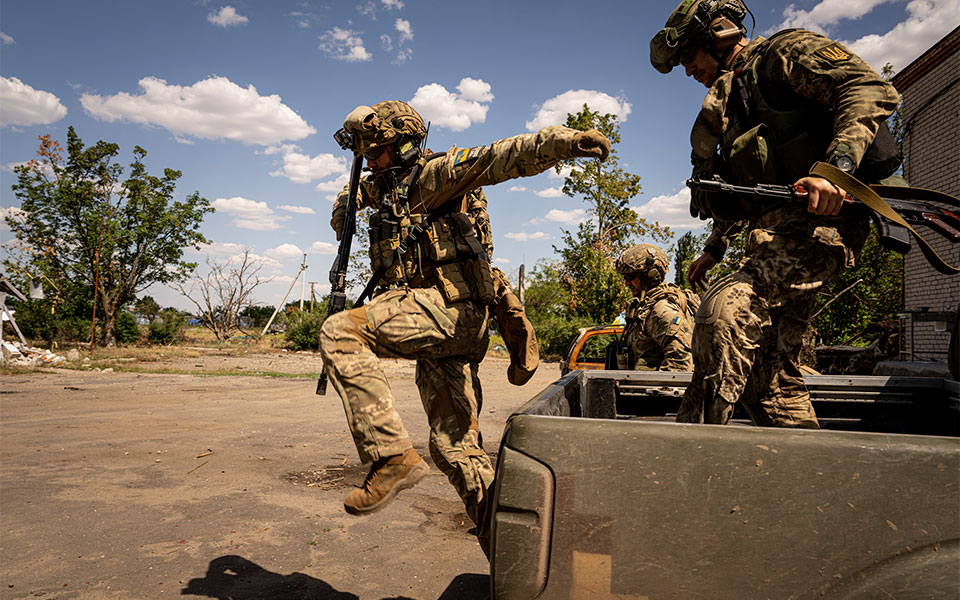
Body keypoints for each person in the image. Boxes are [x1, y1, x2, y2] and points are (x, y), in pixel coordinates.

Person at [320, 100, 610, 552]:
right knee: (454, 447)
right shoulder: (386, 186)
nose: (370, 162)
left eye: (375, 152)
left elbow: (500, 156)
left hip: (453, 312)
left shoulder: (434, 177)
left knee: (340, 331)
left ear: (404, 145)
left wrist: (563, 141)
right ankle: (516, 554)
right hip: (444, 327)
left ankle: (390, 456)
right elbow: (349, 205)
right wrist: (348, 198)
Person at [649, 0, 901, 427]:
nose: (687, 70)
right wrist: (715, 246)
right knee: (768, 378)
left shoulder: (782, 55)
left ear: (718, 34)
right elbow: (744, 187)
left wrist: (836, 172)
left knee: (725, 311)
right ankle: (804, 472)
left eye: (688, 56)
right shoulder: (731, 102)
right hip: (775, 235)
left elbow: (867, 89)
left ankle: (691, 454)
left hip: (824, 224)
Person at [614, 244, 699, 371]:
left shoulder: (662, 311)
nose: (626, 283)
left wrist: (653, 388)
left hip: (653, 389)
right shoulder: (646, 306)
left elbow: (681, 366)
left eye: (630, 277)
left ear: (650, 275)